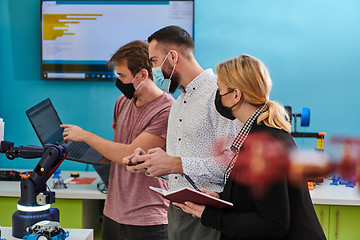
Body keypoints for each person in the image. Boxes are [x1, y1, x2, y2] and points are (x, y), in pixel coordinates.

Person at [172, 54, 327, 240]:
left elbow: (273, 224)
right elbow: (258, 199)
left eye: (219, 91)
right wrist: (222, 199)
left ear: (236, 95)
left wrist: (210, 216)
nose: (218, 99)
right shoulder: (263, 133)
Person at [123, 26, 242, 240]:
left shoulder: (219, 94)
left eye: (153, 61)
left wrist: (175, 163)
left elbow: (234, 164)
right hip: (177, 213)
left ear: (173, 57)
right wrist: (151, 164)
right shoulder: (178, 104)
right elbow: (181, 167)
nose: (152, 70)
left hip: (208, 217)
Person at [61, 40, 174, 240]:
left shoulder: (166, 110)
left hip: (148, 219)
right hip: (113, 213)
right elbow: (114, 154)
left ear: (142, 75)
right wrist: (76, 151)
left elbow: (128, 154)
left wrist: (85, 135)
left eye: (122, 76)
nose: (119, 81)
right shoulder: (122, 102)